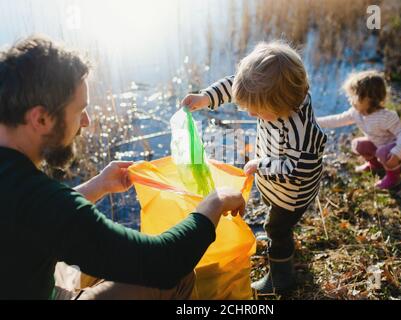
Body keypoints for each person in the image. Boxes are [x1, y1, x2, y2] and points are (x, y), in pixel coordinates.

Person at [0, 35, 246, 300]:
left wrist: (98, 185)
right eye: (80, 110)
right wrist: (214, 202)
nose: (86, 121)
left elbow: (39, 220)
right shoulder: (38, 200)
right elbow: (164, 262)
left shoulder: (25, 193)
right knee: (178, 277)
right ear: (41, 118)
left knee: (89, 262)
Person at [181, 41, 327, 294]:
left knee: (276, 228)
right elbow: (235, 85)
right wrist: (206, 97)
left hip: (292, 194)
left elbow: (296, 169)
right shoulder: (279, 95)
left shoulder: (298, 130)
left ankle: (281, 277)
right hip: (274, 184)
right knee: (273, 212)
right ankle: (283, 240)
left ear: (280, 105)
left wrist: (261, 164)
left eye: (258, 112)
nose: (251, 114)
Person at [317, 70, 401, 189]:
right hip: (380, 146)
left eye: (352, 96)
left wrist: (397, 152)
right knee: (359, 145)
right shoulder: (356, 113)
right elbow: (337, 120)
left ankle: (394, 178)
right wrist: (315, 121)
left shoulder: (386, 117)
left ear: (368, 98)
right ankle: (375, 165)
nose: (350, 100)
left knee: (382, 152)